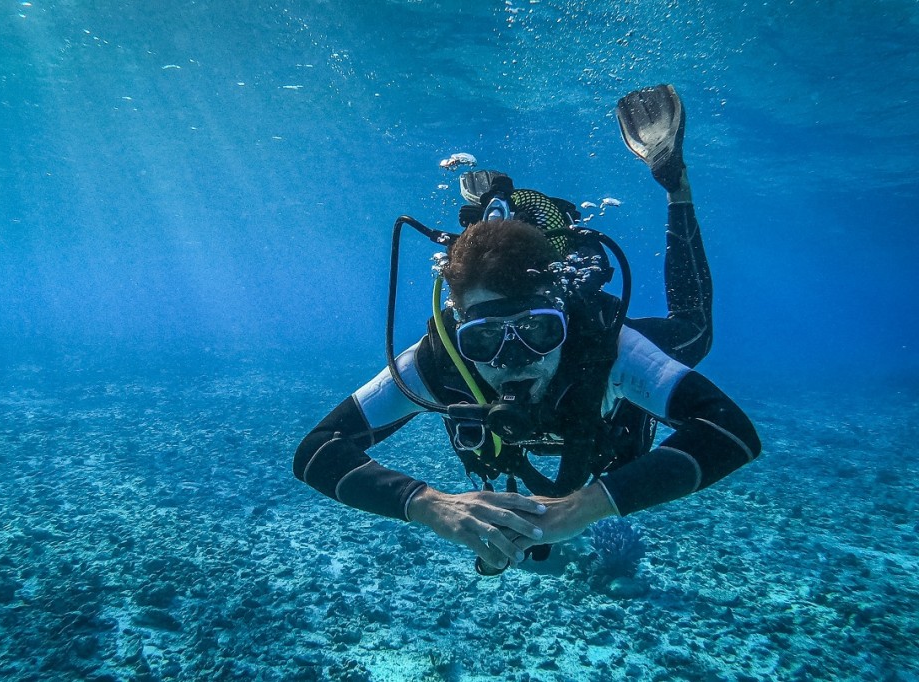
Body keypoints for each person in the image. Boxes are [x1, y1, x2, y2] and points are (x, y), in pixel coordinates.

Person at [293, 84, 761, 575]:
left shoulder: (601, 342)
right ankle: (490, 209)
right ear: (459, 329)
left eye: (538, 331)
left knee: (693, 333)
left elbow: (730, 430)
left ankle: (674, 182)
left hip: (597, 412)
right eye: (484, 339)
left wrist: (585, 506)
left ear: (563, 316)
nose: (514, 358)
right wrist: (429, 505)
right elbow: (318, 449)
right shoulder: (440, 357)